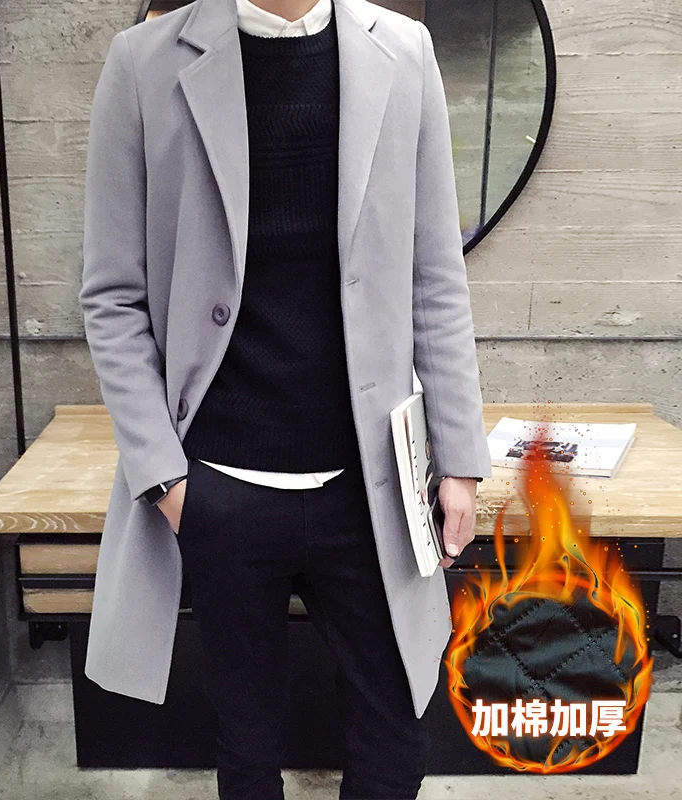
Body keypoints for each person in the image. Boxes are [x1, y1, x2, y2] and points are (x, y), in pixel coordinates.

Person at [79, 0, 492, 797]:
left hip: (372, 485)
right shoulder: (143, 62)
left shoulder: (405, 51)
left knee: (395, 739)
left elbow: (435, 278)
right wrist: (169, 482)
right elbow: (111, 295)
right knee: (245, 745)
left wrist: (460, 460)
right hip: (219, 486)